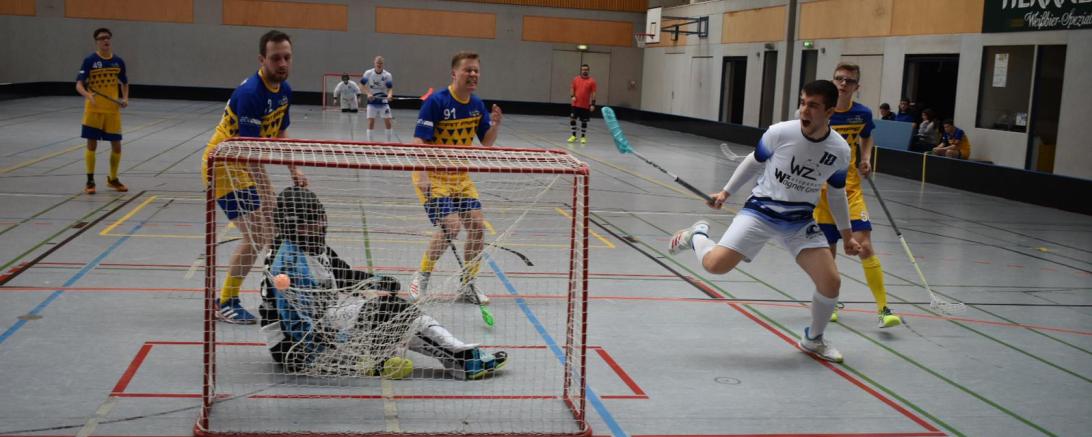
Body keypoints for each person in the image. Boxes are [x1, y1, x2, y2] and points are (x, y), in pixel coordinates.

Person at [667, 80, 861, 363]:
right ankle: (696, 235)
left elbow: (836, 193)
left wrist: (847, 235)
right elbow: (753, 161)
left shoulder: (840, 151)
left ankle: (813, 339)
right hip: (761, 212)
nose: (804, 110)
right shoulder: (781, 132)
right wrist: (725, 192)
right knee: (714, 266)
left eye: (813, 106)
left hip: (799, 221)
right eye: (803, 102)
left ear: (830, 111)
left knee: (831, 282)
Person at [259, 186, 508, 380]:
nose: (318, 227)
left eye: (318, 220)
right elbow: (294, 324)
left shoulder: (310, 245)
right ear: (291, 226)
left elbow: (341, 274)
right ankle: (464, 360)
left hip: (322, 319)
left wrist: (375, 281)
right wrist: (340, 348)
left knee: (391, 310)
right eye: (308, 224)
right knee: (390, 314)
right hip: (296, 349)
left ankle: (457, 357)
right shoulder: (288, 263)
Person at [202, 30, 306, 324]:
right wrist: (270, 195)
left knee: (269, 233)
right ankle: (226, 301)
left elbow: (281, 134)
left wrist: (294, 169)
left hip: (243, 166)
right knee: (258, 234)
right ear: (262, 60)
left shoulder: (284, 90)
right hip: (223, 165)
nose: (282, 63)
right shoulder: (251, 94)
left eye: (287, 57)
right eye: (275, 58)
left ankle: (281, 295)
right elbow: (252, 154)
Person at [408, 51, 503, 306]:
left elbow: (487, 142)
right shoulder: (437, 102)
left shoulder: (476, 105)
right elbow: (419, 141)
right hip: (433, 175)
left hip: (460, 177)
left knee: (477, 226)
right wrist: (424, 176)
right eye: (468, 70)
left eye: (476, 71)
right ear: (454, 73)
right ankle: (421, 277)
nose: (473, 74)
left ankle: (467, 285)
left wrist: (494, 124)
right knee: (451, 226)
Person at [813, 63, 902, 329]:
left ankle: (883, 308)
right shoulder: (819, 111)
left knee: (864, 245)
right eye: (839, 79)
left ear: (856, 86)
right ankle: (831, 302)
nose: (843, 84)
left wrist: (865, 158)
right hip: (821, 193)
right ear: (833, 81)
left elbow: (867, 137)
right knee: (827, 252)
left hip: (851, 190)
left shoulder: (862, 113)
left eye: (849, 81)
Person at [76, 27, 129, 195]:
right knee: (92, 144)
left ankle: (112, 179)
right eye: (102, 38)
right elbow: (79, 84)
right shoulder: (90, 60)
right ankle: (90, 180)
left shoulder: (118, 61)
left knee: (117, 146)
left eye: (107, 38)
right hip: (93, 110)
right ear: (97, 41)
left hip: (112, 111)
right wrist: (87, 95)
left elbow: (125, 82)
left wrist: (125, 98)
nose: (105, 40)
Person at [361, 56, 394, 142]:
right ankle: (370, 143)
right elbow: (361, 85)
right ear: (374, 63)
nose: (379, 65)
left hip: (383, 101)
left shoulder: (387, 75)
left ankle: (388, 143)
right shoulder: (368, 73)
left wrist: (390, 95)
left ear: (383, 64)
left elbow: (390, 88)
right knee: (371, 121)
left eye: (381, 63)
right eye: (377, 63)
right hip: (372, 101)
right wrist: (368, 93)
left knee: (388, 122)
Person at [567, 64, 597, 145]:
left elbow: (594, 93)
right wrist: (572, 96)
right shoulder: (575, 79)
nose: (584, 71)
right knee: (572, 119)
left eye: (586, 69)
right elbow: (572, 88)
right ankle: (573, 136)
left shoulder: (592, 81)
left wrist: (593, 104)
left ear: (588, 70)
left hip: (585, 105)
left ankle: (583, 137)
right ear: (581, 70)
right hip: (575, 104)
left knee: (584, 121)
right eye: (583, 69)